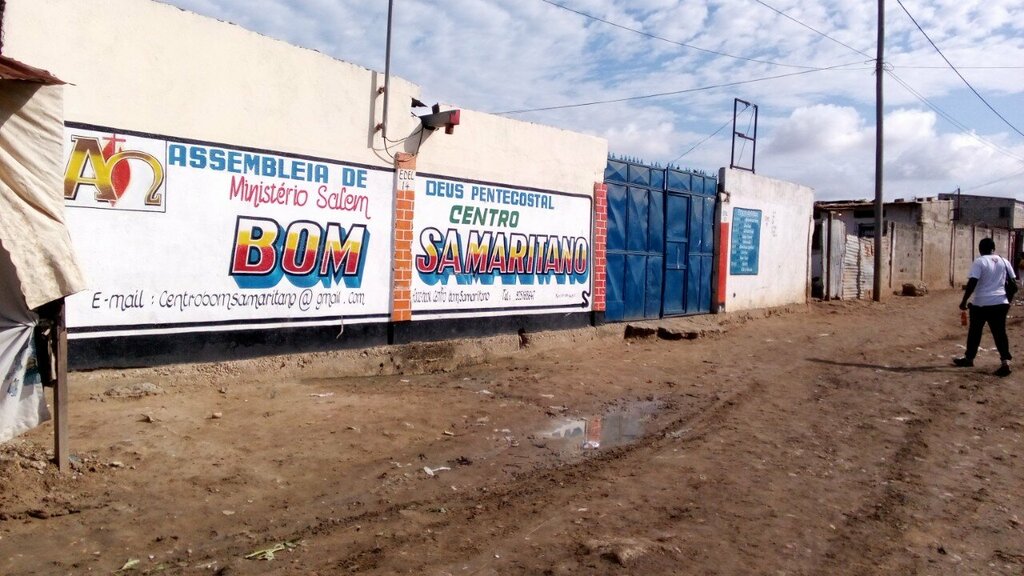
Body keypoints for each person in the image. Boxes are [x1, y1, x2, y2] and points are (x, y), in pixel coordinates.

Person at [955, 237, 1014, 376]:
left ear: (980, 249)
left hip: (981, 303)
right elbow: (1013, 284)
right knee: (1000, 333)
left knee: (975, 332)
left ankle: (969, 358)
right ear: (994, 248)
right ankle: (1005, 362)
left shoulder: (980, 261)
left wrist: (964, 301)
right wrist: (1007, 300)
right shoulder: (1004, 261)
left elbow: (972, 282)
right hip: (1000, 303)